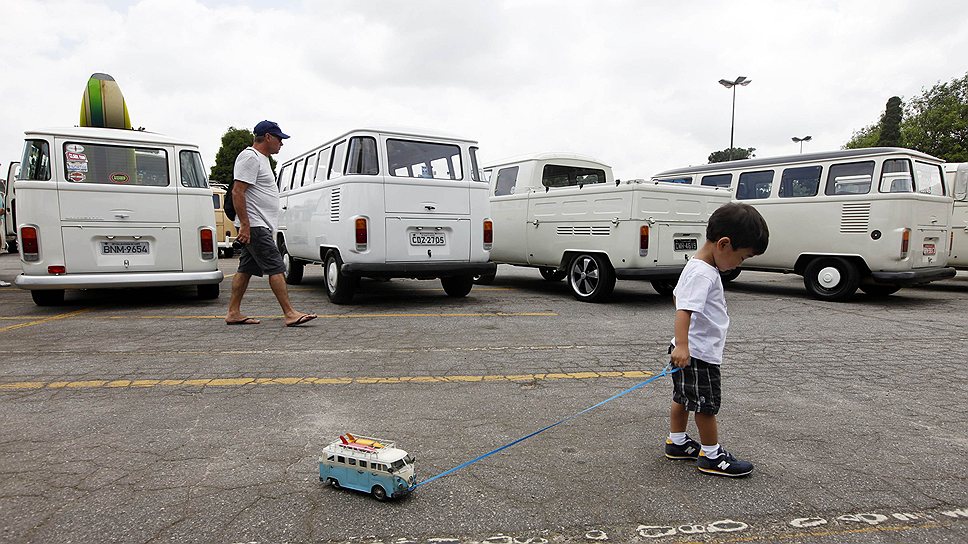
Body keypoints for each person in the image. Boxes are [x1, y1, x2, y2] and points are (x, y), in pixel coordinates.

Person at [663, 202, 768, 477]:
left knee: (683, 398)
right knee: (706, 406)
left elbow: (678, 297)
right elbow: (684, 309)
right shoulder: (704, 273)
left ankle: (677, 441)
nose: (739, 264)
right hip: (698, 354)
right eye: (742, 258)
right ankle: (711, 455)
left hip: (689, 350)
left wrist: (682, 343)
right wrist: (685, 346)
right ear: (724, 244)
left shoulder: (696, 266)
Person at [224, 120, 317, 327]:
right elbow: (238, 192)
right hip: (255, 225)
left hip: (259, 224)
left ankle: (233, 312)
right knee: (276, 266)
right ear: (267, 137)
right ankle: (290, 313)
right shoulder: (250, 157)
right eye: (279, 139)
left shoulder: (263, 159)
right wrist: (246, 225)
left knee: (245, 269)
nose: (281, 143)